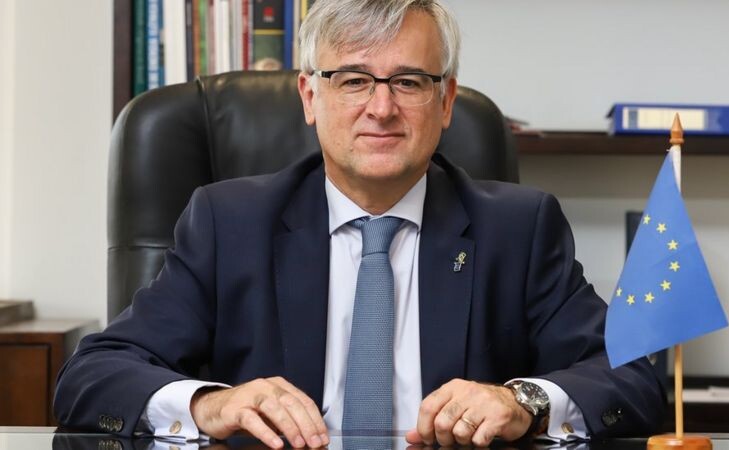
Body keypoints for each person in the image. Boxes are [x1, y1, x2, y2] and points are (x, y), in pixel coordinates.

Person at [54, 0, 665, 447]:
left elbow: (632, 379)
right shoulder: (229, 223)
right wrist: (211, 405)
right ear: (310, 97)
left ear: (446, 101)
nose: (381, 107)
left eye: (409, 81)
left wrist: (522, 401)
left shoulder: (518, 228)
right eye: (352, 80)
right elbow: (93, 376)